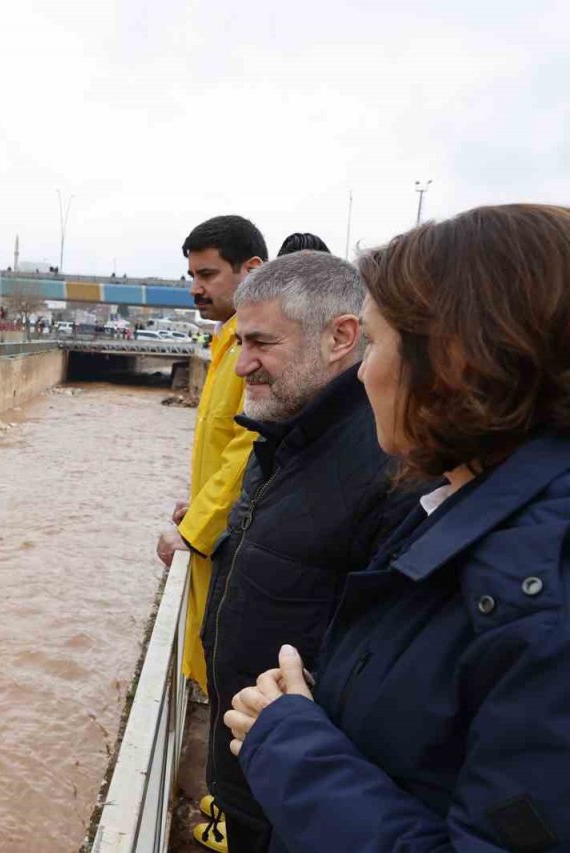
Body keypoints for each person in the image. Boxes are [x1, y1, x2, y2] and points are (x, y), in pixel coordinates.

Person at [226, 205, 570, 852]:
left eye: (378, 345)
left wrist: (288, 741)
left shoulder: (541, 591)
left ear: (457, 361)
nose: (363, 371)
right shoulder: (455, 507)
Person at [196, 251, 421, 853]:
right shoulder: (278, 439)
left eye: (262, 344)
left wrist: (293, 756)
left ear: (341, 337)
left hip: (301, 805)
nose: (242, 364)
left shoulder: (390, 469)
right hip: (256, 770)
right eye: (239, 342)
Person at [157, 215, 267, 694]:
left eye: (207, 275)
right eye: (192, 277)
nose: (195, 289)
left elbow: (250, 446)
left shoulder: (254, 348)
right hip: (218, 536)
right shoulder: (225, 340)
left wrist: (196, 528)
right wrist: (197, 505)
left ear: (252, 270)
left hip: (227, 547)